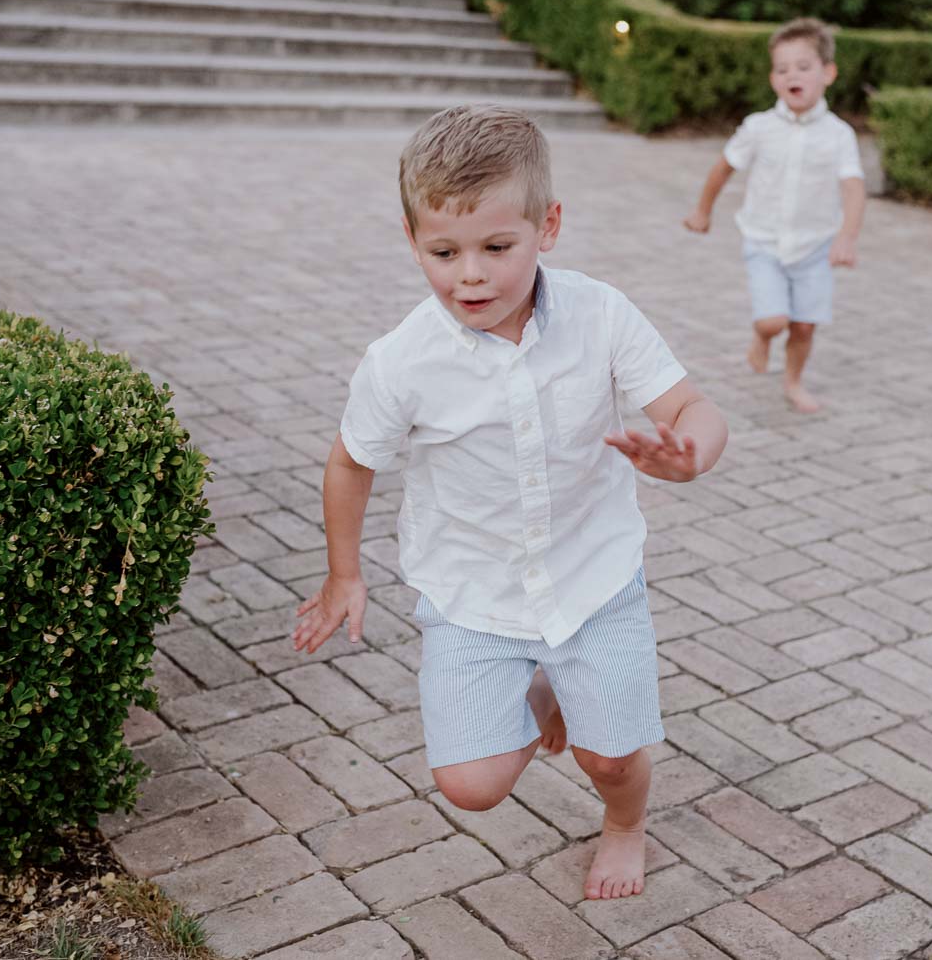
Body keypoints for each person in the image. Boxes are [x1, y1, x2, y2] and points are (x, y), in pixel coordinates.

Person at [291, 104, 728, 900]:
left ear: (547, 225)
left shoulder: (601, 314)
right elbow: (350, 463)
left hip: (593, 581)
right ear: (410, 237)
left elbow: (693, 408)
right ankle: (541, 684)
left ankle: (626, 823)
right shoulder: (402, 361)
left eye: (498, 247)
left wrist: (687, 453)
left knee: (610, 758)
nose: (471, 275)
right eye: (443, 251)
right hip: (474, 596)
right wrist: (342, 573)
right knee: (470, 783)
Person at [683, 16, 867, 413]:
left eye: (803, 67)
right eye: (782, 69)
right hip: (763, 241)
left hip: (814, 246)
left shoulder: (838, 135)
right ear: (773, 79)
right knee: (774, 320)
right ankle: (762, 337)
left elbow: (853, 186)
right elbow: (724, 167)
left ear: (828, 73)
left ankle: (793, 381)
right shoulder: (759, 127)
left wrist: (847, 236)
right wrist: (702, 211)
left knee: (803, 325)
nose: (792, 75)